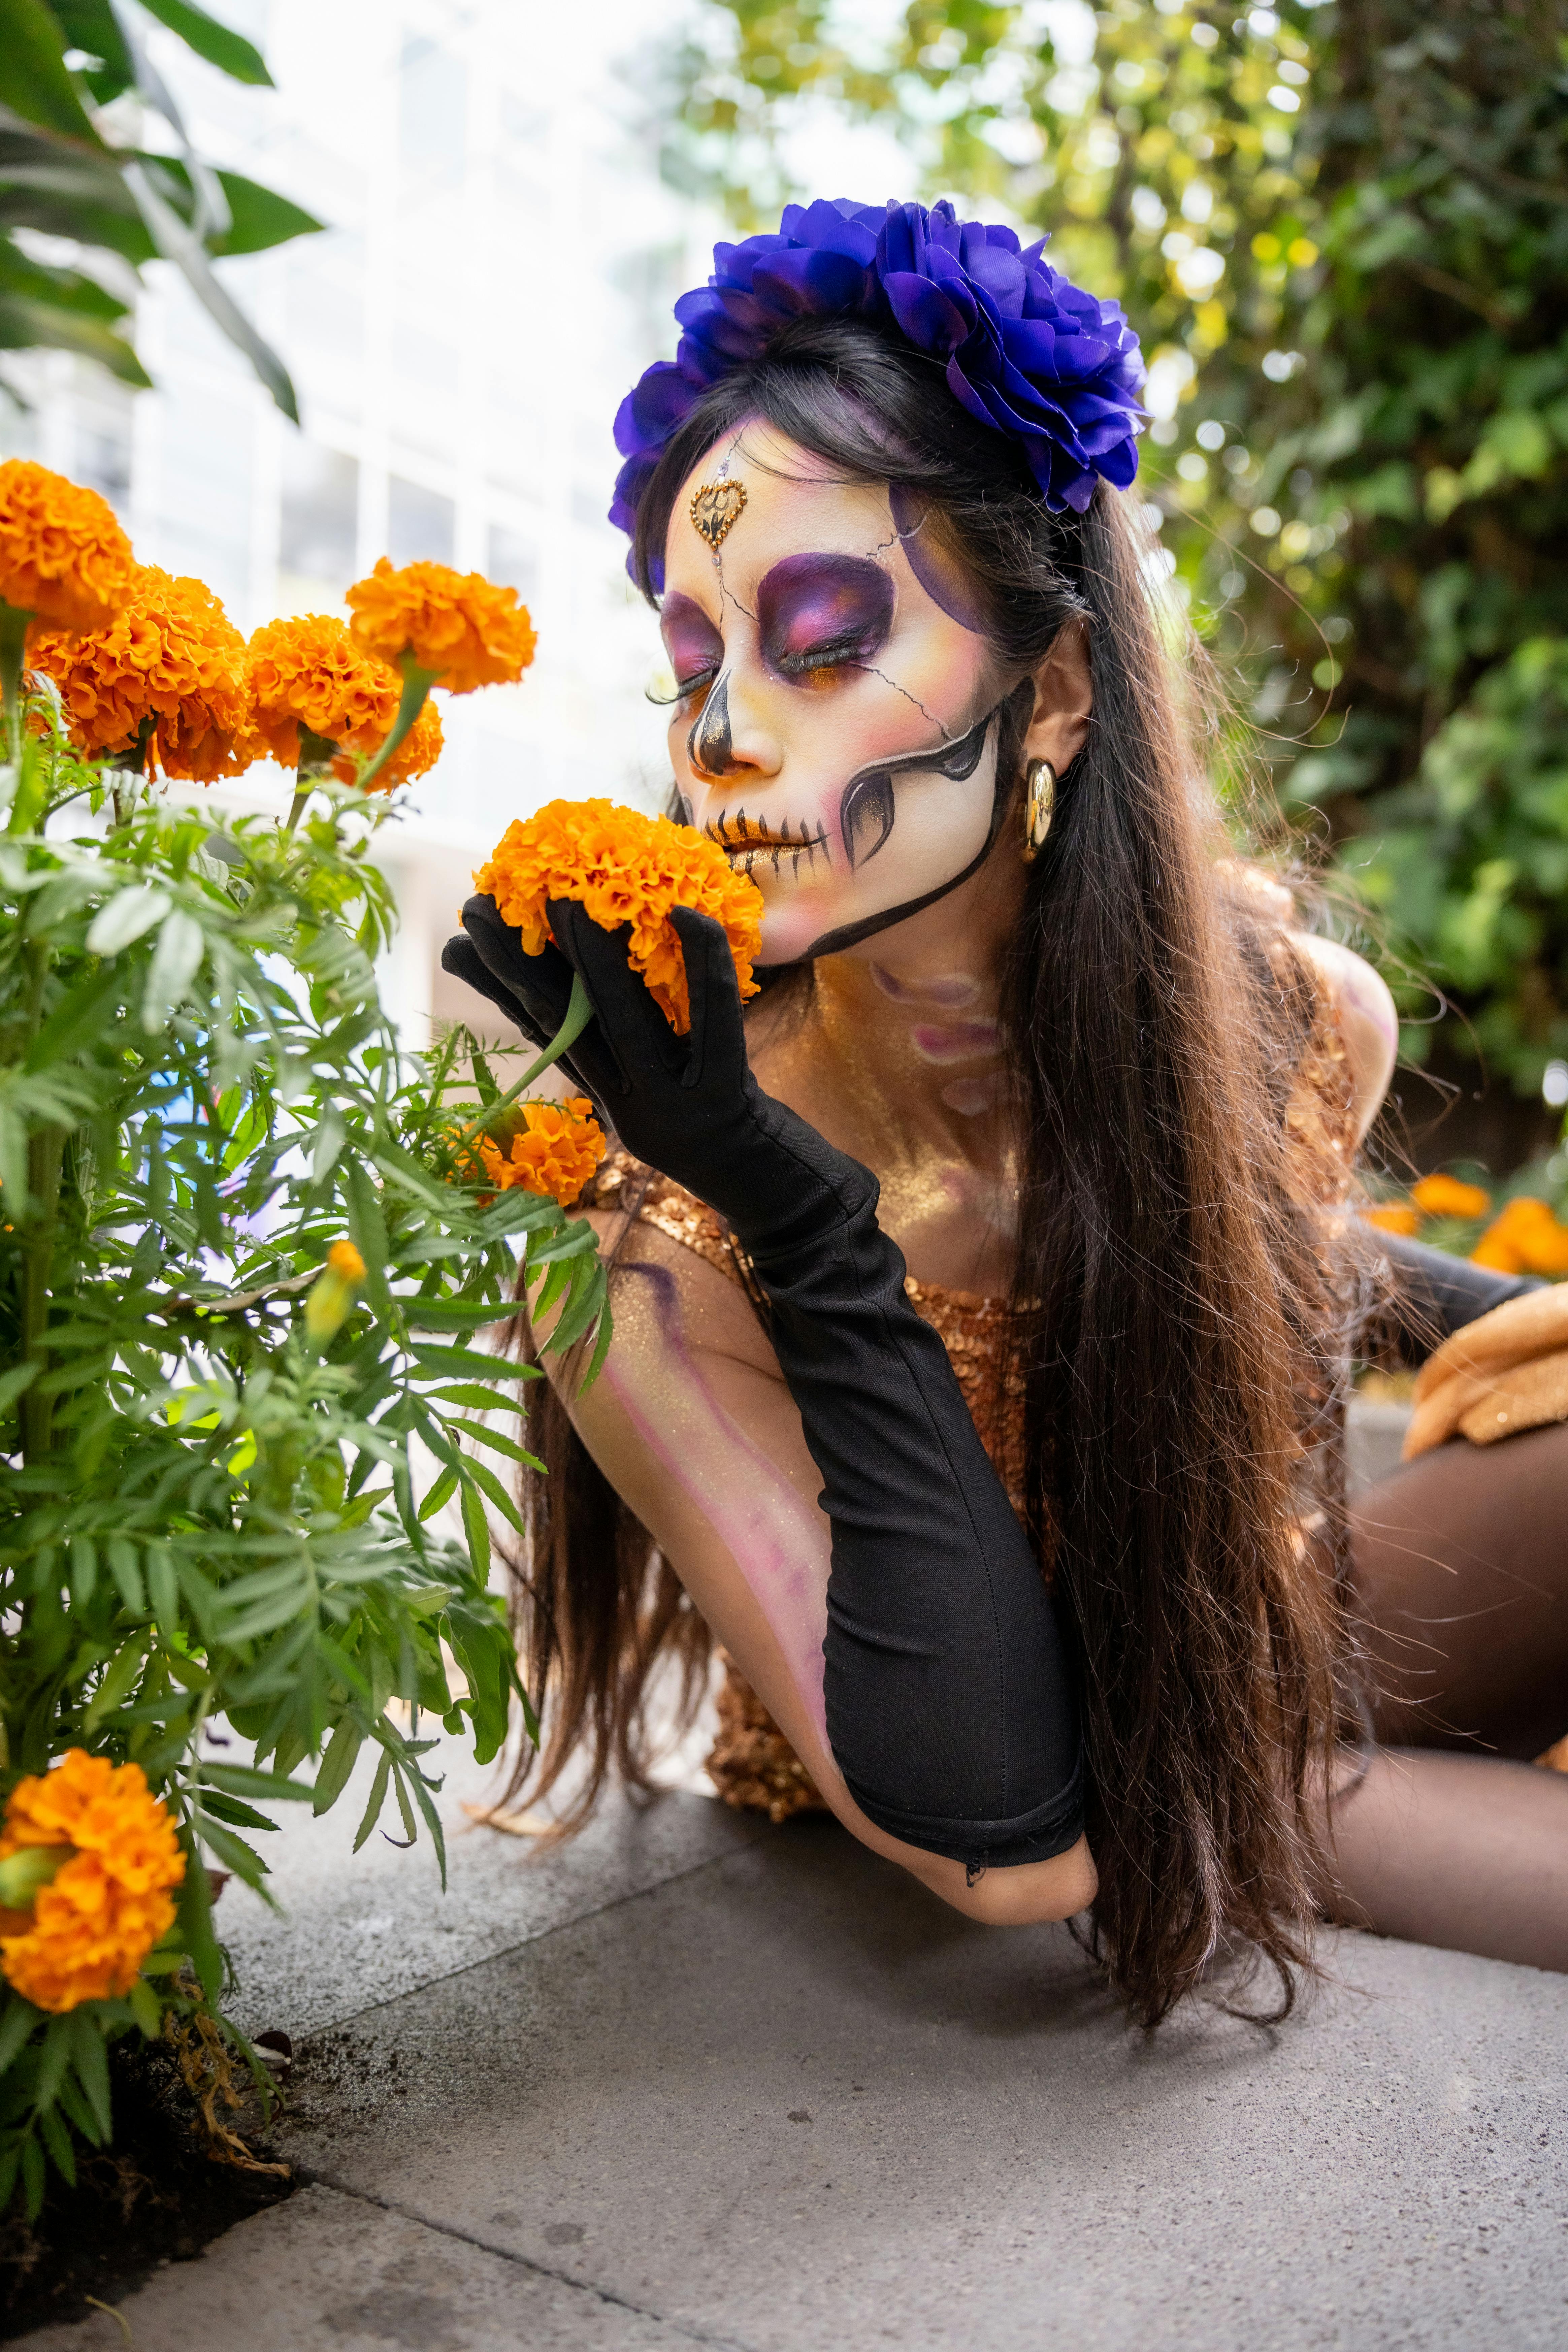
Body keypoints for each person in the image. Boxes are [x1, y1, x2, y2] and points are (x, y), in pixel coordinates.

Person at [446, 200, 1568, 2026]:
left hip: (1219, 1660)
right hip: (990, 1756)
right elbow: (1011, 1843)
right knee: (1177, 1791)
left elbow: (1257, 1263)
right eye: (694, 656)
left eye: (820, 637)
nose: (717, 734)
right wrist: (780, 1196)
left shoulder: (1289, 1022)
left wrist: (1454, 1306)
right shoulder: (642, 1232)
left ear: (1053, 694)